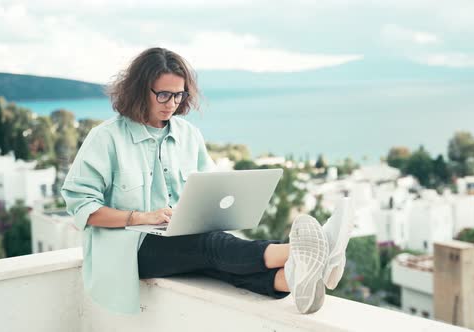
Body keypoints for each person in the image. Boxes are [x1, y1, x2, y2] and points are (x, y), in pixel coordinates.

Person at [61, 47, 355, 315]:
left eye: (178, 95)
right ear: (140, 90)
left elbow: (214, 190)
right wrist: (141, 217)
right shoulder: (106, 138)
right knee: (210, 246)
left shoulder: (188, 135)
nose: (172, 103)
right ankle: (313, 250)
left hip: (179, 240)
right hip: (131, 250)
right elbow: (82, 207)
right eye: (163, 94)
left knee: (222, 262)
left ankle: (292, 278)